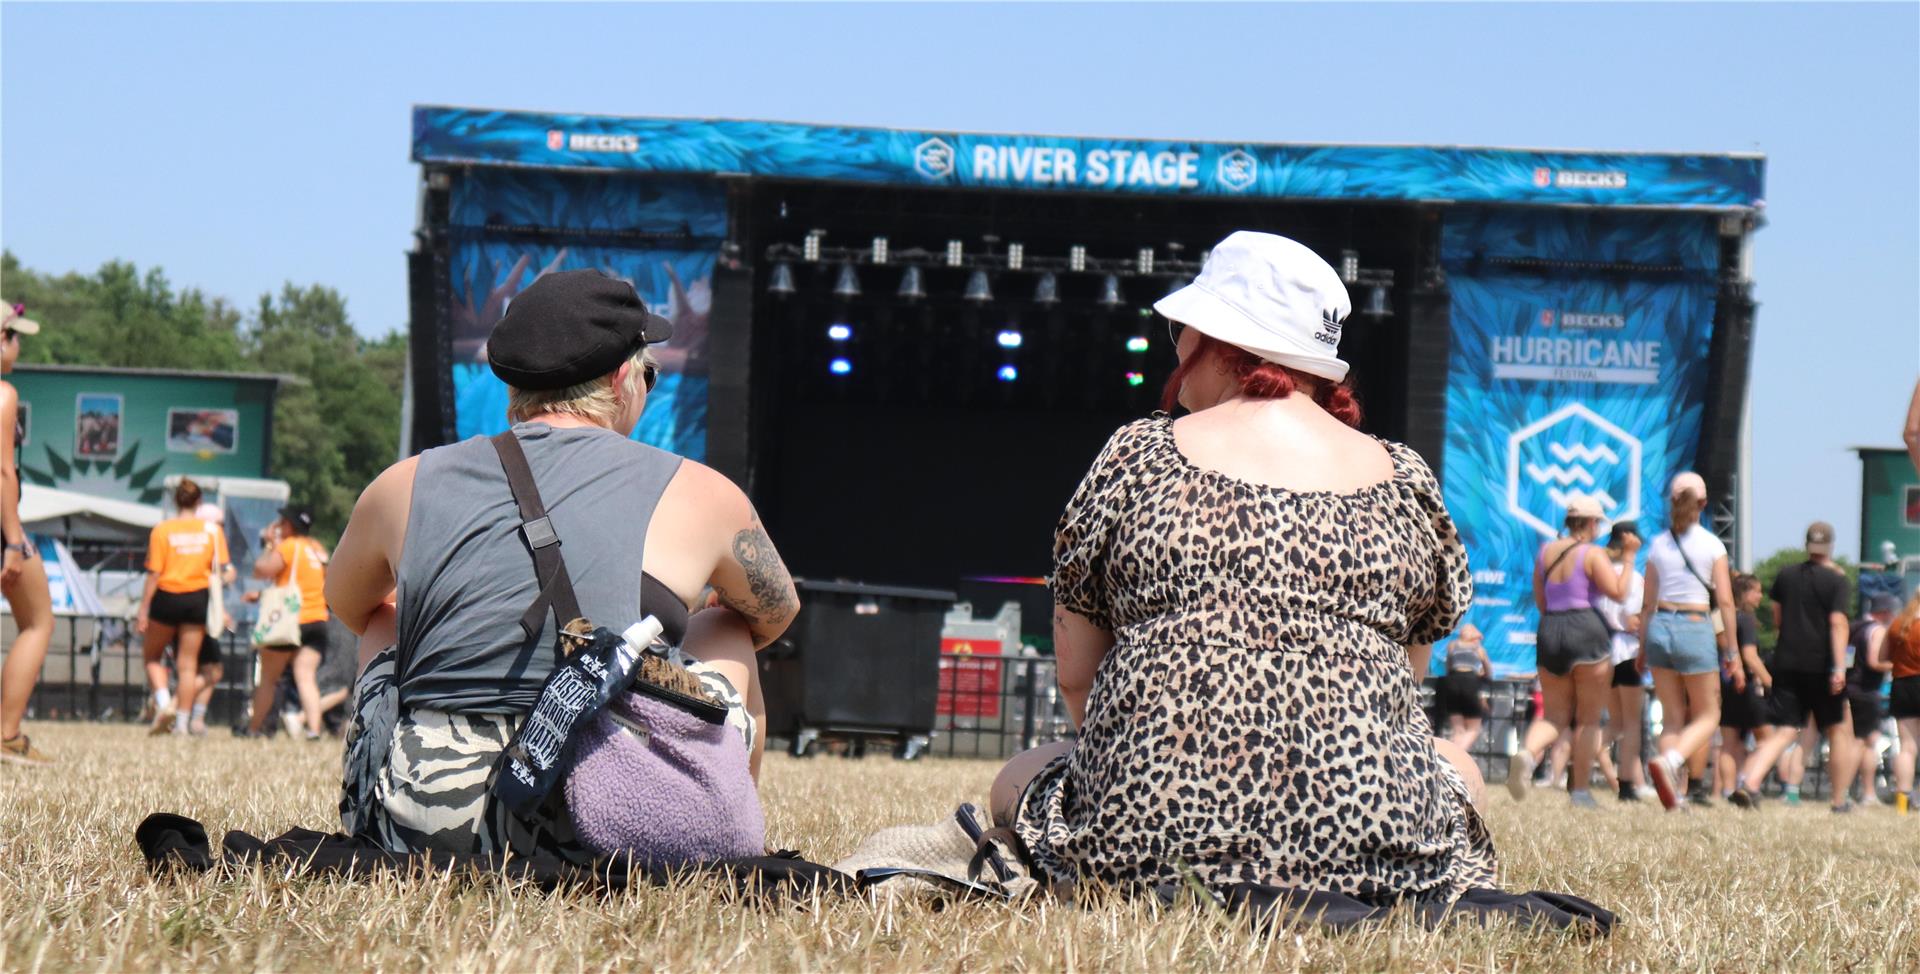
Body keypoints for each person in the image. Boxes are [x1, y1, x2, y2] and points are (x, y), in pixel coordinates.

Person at [991, 232, 1500, 901]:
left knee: (1018, 772)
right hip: (1379, 861)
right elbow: (1402, 685)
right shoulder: (1405, 478)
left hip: (1146, 853)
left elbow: (1079, 679)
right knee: (1459, 766)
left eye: (1183, 327)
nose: (1176, 344)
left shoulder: (1137, 457)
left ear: (1216, 338)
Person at [326, 269, 798, 862]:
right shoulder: (701, 490)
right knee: (726, 625)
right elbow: (776, 613)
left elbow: (349, 605)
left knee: (383, 619)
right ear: (621, 376)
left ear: (512, 388)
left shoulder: (404, 483)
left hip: (430, 821)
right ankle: (718, 825)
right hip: (617, 817)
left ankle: (381, 804)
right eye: (650, 374)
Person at [1508, 497, 1628, 807]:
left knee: (1554, 715)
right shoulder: (1592, 554)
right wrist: (1628, 559)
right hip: (1586, 629)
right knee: (1588, 720)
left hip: (1550, 629)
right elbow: (1617, 592)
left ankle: (1526, 754)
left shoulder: (1545, 552)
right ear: (1591, 523)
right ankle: (1580, 792)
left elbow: (1541, 601)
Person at [1729, 523, 1858, 812]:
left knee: (1786, 729)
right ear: (1831, 547)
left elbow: (1778, 617)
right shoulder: (1837, 581)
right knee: (1837, 730)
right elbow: (1838, 623)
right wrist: (1839, 667)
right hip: (1822, 664)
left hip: (1786, 661)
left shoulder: (1786, 575)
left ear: (1807, 545)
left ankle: (1749, 783)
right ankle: (1839, 801)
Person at [1634, 472, 1738, 810]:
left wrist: (1641, 647)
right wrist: (1732, 650)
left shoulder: (1658, 544)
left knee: (1672, 717)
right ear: (1704, 504)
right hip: (1694, 625)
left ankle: (1672, 793)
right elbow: (1724, 601)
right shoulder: (1712, 545)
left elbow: (1647, 603)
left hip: (1660, 626)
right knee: (1708, 714)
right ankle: (1672, 762)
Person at [0, 301, 53, 765]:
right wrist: (15, 541)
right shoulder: (3, 394)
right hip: (3, 526)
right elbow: (2, 472)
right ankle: (7, 733)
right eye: (14, 336)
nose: (17, 346)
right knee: (38, 621)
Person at [137, 479, 229, 736]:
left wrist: (143, 609)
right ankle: (181, 724)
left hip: (166, 597)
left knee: (152, 656)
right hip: (197, 599)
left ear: (175, 501)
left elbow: (154, 573)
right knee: (187, 665)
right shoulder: (212, 531)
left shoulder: (162, 530)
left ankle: (165, 704)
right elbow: (221, 569)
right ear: (199, 502)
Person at [240, 506, 330, 739]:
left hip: (290, 620)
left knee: (269, 679)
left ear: (289, 526)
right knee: (306, 677)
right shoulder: (317, 549)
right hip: (318, 618)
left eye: (281, 523)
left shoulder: (289, 547)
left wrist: (270, 544)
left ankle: (253, 729)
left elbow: (261, 570)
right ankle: (313, 730)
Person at [1594, 523, 1646, 801]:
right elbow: (1633, 618)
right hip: (1627, 651)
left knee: (1614, 722)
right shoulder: (1633, 578)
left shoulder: (1597, 574)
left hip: (1602, 652)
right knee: (1632, 724)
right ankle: (1627, 785)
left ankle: (1581, 754)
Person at [1715, 574, 1770, 799]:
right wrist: (1770, 682)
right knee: (1768, 740)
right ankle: (1747, 781)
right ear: (1745, 593)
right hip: (1746, 685)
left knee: (1729, 743)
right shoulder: (1746, 620)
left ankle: (1728, 790)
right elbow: (1750, 656)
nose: (1760, 596)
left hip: (1726, 684)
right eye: (1756, 591)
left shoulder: (1725, 620)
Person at [1844, 594, 1897, 805]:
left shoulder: (1854, 627)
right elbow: (1875, 661)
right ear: (1884, 612)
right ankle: (1862, 792)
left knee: (1858, 741)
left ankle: (1854, 790)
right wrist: (1898, 665)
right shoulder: (1877, 630)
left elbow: (1847, 657)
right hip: (1866, 690)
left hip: (1849, 687)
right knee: (1865, 742)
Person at [1885, 593, 1920, 806]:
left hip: (1902, 684)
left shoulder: (1899, 624)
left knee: (1907, 746)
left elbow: (1885, 656)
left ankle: (1901, 801)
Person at [1435, 624, 1492, 753]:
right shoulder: (1478, 649)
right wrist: (1481, 673)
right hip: (1470, 683)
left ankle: (1448, 757)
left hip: (1451, 683)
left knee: (1458, 729)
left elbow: (1449, 667)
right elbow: (1488, 670)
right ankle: (1457, 756)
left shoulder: (1452, 646)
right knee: (1474, 728)